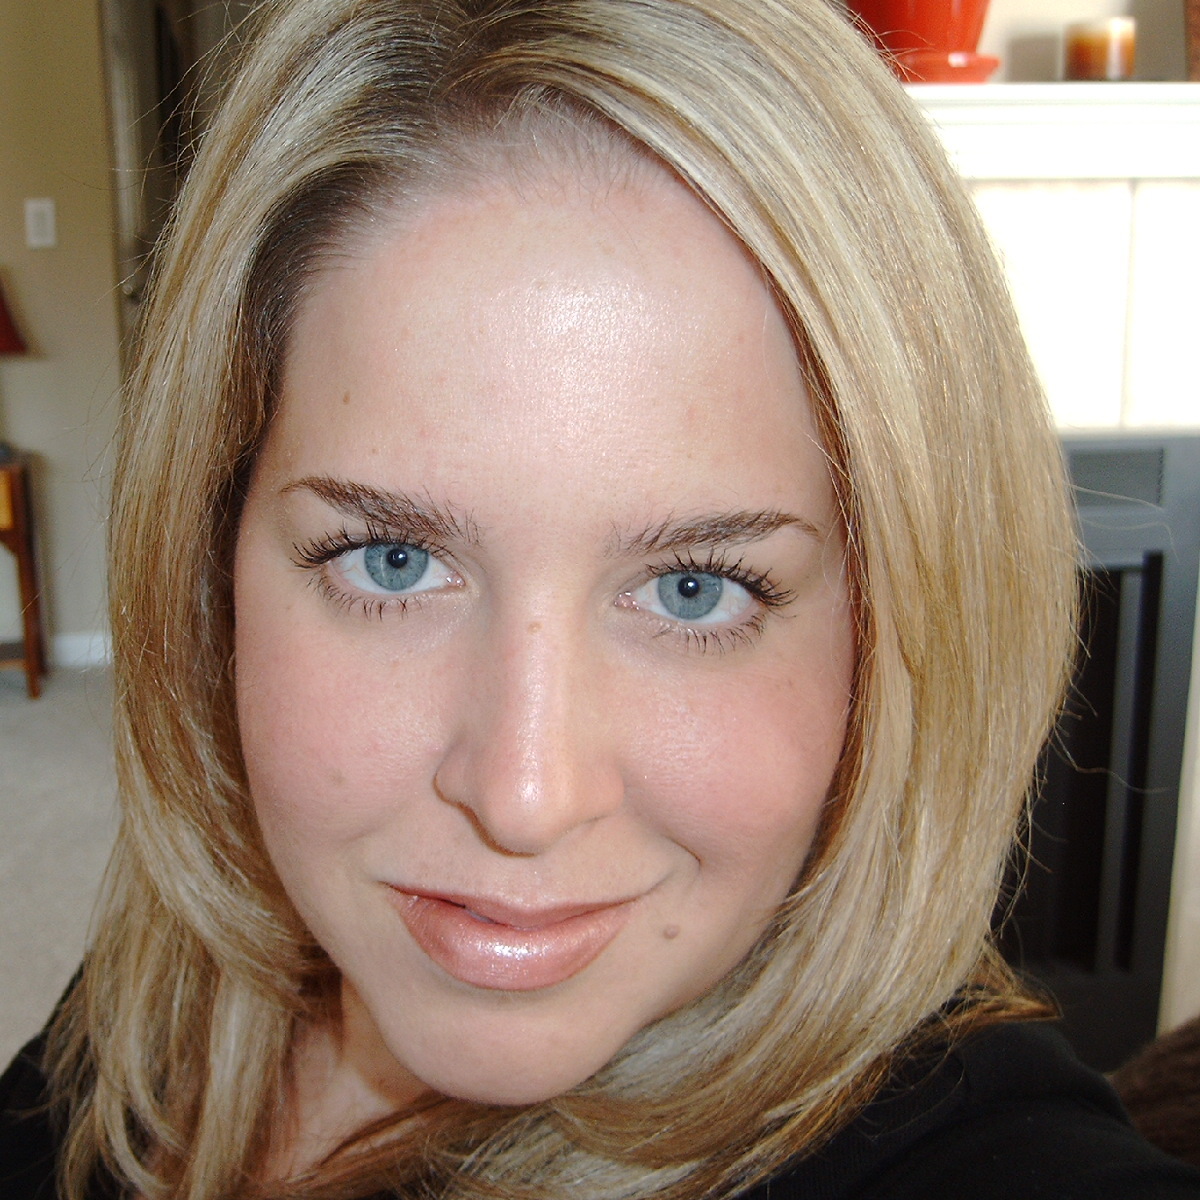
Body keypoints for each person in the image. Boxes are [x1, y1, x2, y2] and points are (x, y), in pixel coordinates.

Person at [2, 0, 1198, 1197]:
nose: (524, 797)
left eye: (694, 590)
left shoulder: (980, 1153)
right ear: (212, 567)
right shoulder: (175, 982)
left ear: (889, 633)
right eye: (392, 561)